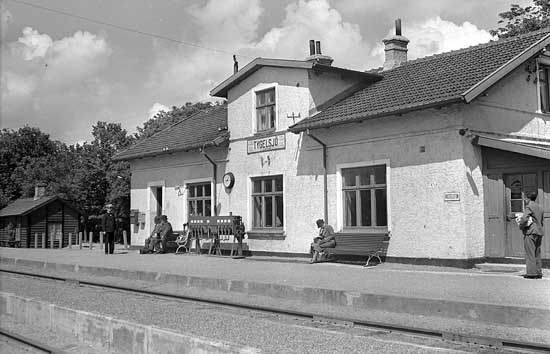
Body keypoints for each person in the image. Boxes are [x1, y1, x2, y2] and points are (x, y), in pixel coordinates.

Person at [518, 191, 544, 279]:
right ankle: (538, 272)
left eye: (525, 198)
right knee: (537, 253)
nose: (524, 200)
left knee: (530, 253)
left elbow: (524, 218)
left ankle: (531, 273)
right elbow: (541, 221)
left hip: (530, 231)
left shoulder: (529, 206)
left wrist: (521, 226)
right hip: (539, 232)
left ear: (528, 198)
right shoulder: (540, 207)